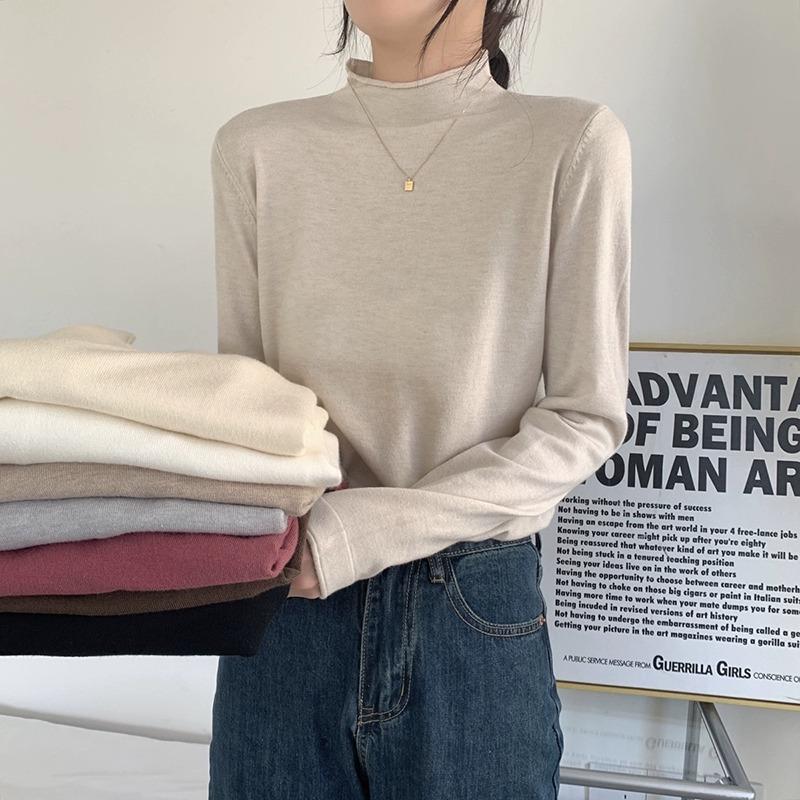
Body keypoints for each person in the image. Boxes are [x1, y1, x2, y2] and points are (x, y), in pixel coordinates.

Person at [207, 0, 632, 796]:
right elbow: (247, 406)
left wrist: (365, 532)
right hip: (289, 598)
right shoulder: (257, 148)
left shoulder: (571, 143)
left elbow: (586, 415)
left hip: (469, 607)